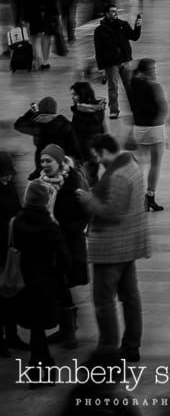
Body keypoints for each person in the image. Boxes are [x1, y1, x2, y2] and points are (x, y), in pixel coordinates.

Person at [75, 134, 150, 361]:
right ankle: (131, 346)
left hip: (112, 248)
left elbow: (112, 211)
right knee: (130, 297)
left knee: (103, 300)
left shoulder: (118, 174)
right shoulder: (131, 164)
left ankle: (108, 349)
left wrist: (87, 198)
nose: (96, 161)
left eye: (96, 156)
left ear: (103, 151)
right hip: (129, 243)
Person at [12, 180, 70, 385]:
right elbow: (65, 259)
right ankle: (42, 369)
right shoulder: (50, 226)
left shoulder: (17, 222)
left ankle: (40, 368)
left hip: (24, 281)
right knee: (39, 328)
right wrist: (55, 274)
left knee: (36, 328)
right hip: (45, 283)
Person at [36, 144, 88, 350]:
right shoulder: (39, 181)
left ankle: (69, 331)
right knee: (58, 284)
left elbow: (85, 212)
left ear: (59, 161)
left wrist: (70, 229)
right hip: (50, 242)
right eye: (42, 161)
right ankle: (67, 328)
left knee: (64, 282)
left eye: (49, 160)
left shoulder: (74, 181)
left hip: (69, 241)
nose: (45, 165)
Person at [128, 59, 168, 212]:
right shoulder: (154, 85)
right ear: (146, 71)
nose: (155, 71)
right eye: (153, 68)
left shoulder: (133, 84)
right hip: (155, 127)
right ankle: (150, 195)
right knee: (155, 162)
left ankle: (135, 194)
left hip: (139, 127)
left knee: (140, 162)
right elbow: (162, 107)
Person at [93, 5, 142, 120]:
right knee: (113, 87)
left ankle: (135, 109)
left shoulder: (123, 25)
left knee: (130, 86)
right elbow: (98, 50)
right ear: (106, 13)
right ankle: (114, 111)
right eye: (112, 11)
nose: (115, 13)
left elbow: (134, 37)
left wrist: (138, 27)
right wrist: (101, 67)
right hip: (111, 63)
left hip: (125, 61)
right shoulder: (100, 31)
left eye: (116, 11)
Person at [14, 97, 81, 178]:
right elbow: (74, 146)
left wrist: (30, 112)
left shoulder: (38, 125)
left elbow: (18, 125)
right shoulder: (65, 123)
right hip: (61, 165)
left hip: (43, 166)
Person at [0, 152, 26, 355]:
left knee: (10, 296)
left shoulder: (8, 187)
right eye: (5, 175)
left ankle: (12, 335)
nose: (9, 178)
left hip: (8, 251)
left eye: (10, 174)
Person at [69, 81, 106, 184]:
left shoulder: (80, 114)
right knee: (93, 179)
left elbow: (77, 137)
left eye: (75, 95)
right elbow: (102, 130)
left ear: (82, 94)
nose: (73, 97)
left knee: (84, 183)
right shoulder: (98, 109)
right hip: (95, 153)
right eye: (72, 95)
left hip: (84, 155)